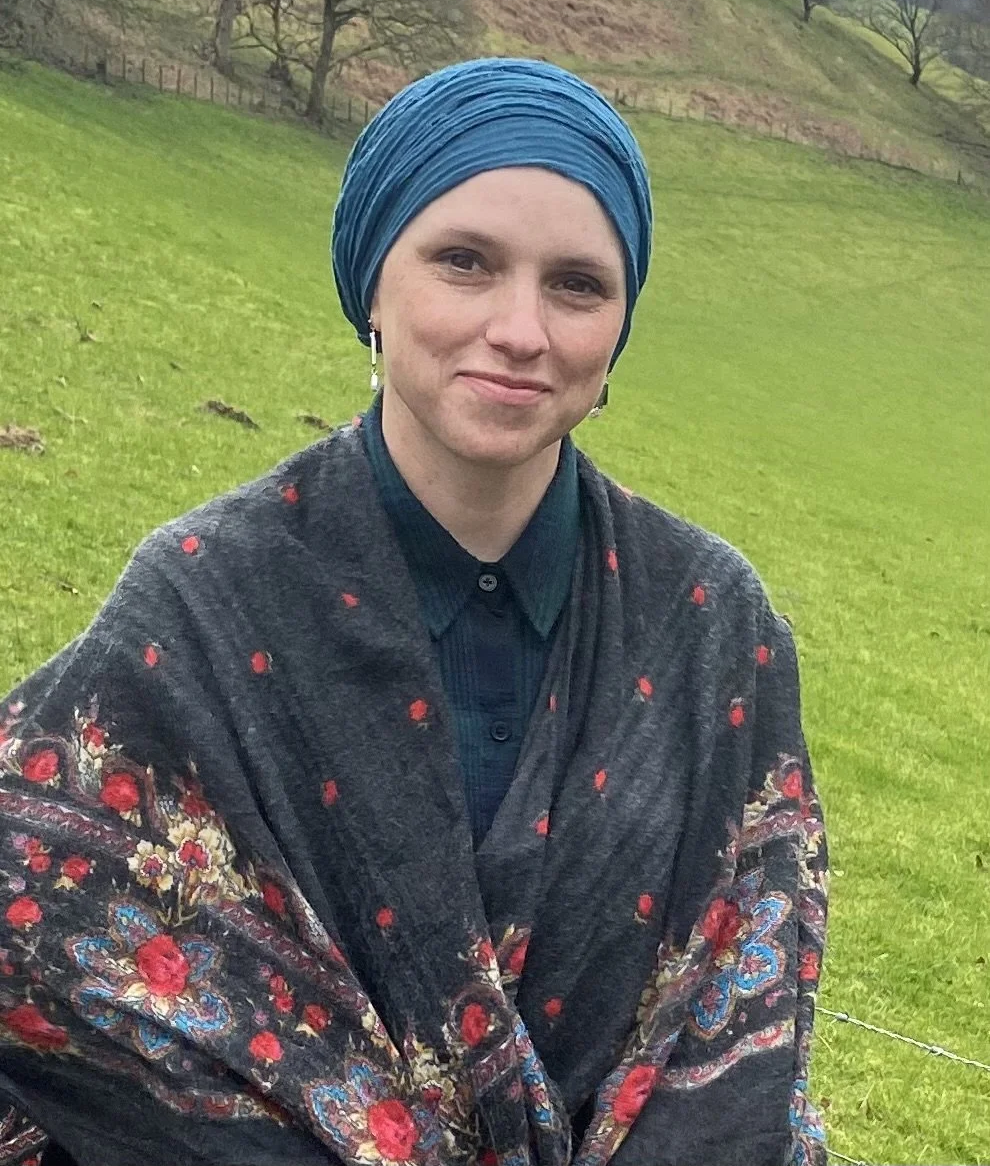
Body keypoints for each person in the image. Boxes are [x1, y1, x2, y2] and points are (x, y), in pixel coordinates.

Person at [0, 58, 828, 1166]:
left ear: (620, 325)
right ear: (372, 290)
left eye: (577, 284)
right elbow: (53, 929)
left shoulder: (713, 623)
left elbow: (735, 1008)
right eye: (464, 263)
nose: (520, 328)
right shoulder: (203, 596)